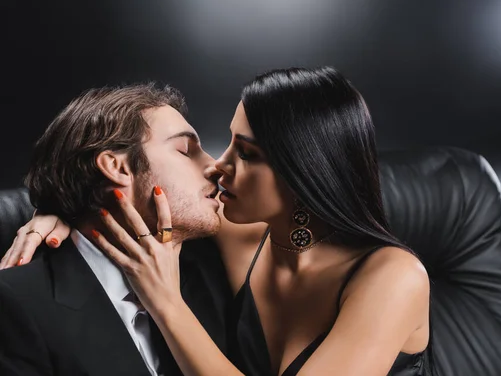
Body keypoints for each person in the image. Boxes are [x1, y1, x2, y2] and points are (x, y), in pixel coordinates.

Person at [2, 67, 433, 375]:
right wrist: (54, 211)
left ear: (304, 171)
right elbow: (113, 196)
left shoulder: (395, 277)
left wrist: (166, 303)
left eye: (246, 153)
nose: (217, 166)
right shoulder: (232, 236)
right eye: (225, 143)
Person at [0, 84, 232, 375]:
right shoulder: (17, 304)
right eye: (185, 150)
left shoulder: (211, 273)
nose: (214, 166)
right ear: (116, 167)